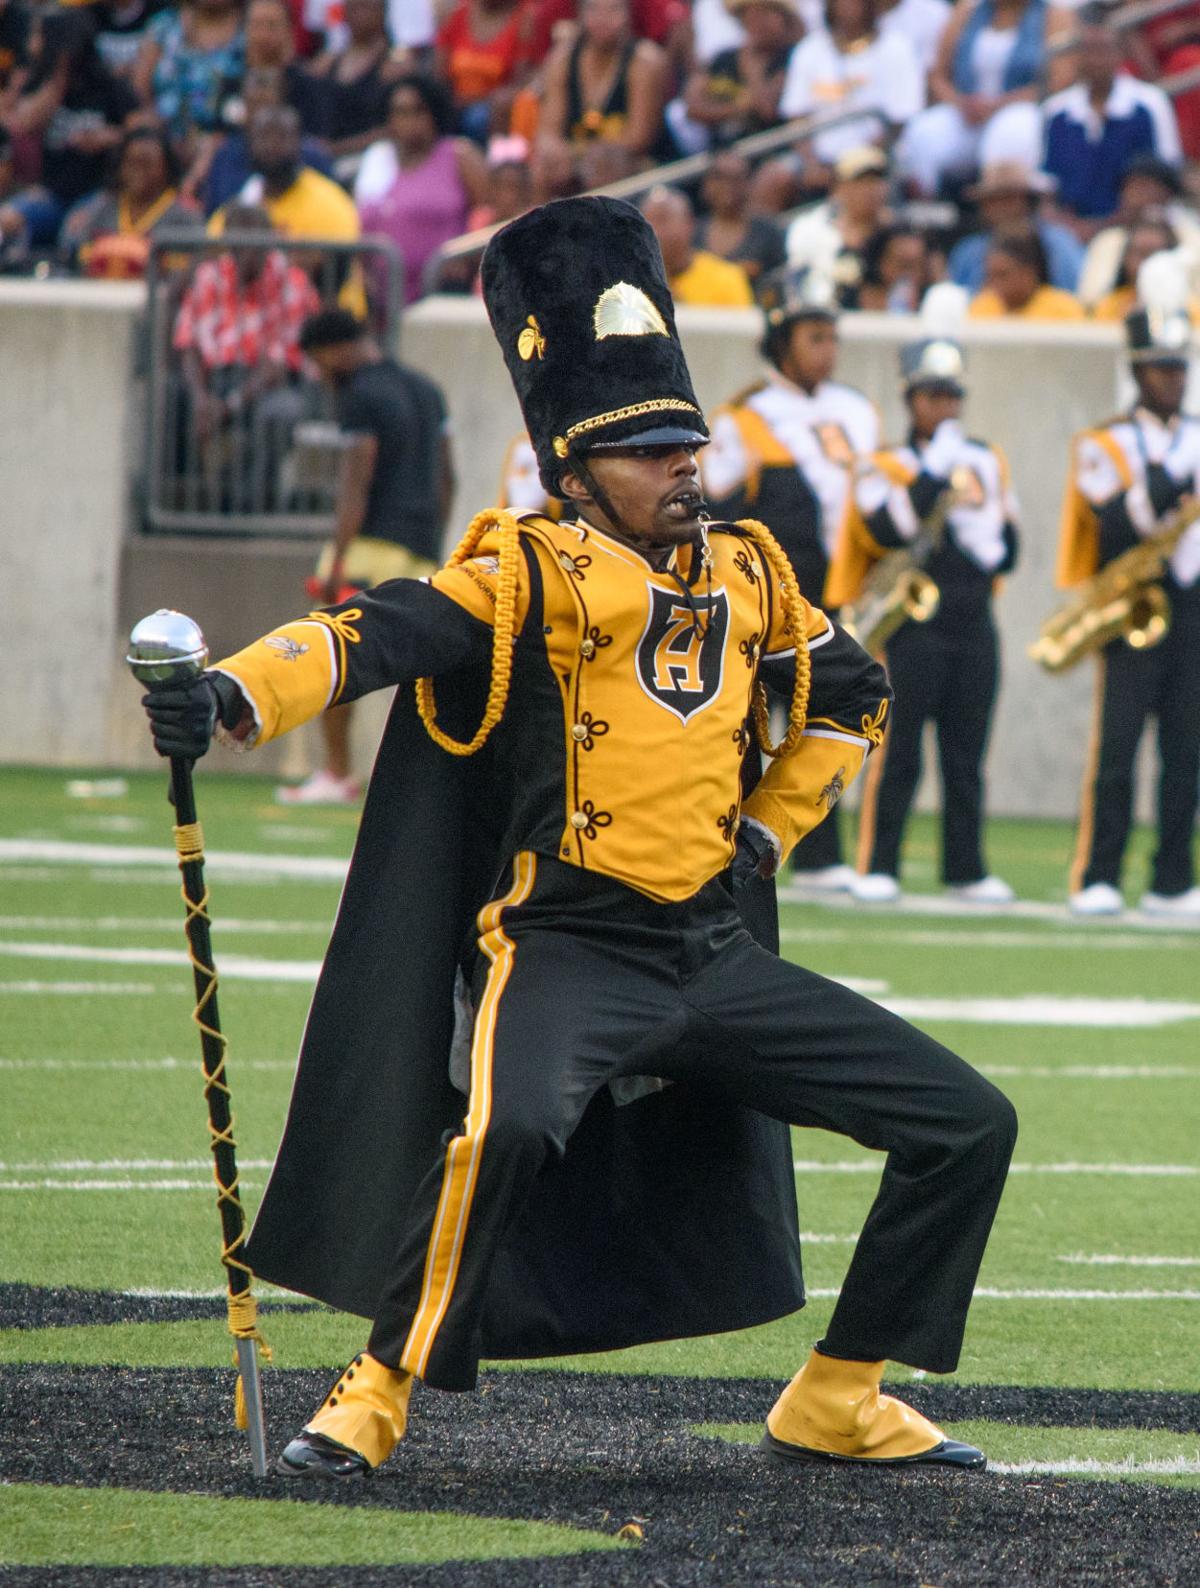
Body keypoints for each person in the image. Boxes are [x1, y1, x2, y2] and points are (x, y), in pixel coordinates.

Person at [140, 194, 1015, 1480]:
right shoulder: (524, 573)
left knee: (966, 1121)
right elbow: (367, 632)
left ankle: (839, 1391)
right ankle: (377, 1390)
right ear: (574, 471)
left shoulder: (751, 572)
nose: (684, 468)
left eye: (688, 444)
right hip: (561, 945)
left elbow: (854, 691)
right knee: (503, 1132)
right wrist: (226, 695)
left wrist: (770, 831)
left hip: (709, 954)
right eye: (651, 450)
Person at [702, 264, 879, 890]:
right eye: (813, 337)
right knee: (759, 723)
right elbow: (715, 514)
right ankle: (737, 840)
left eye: (832, 336)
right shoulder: (743, 417)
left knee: (835, 714)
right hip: (775, 598)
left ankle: (823, 849)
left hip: (841, 592)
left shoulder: (857, 410)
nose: (827, 351)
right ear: (780, 341)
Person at [829, 337, 1019, 904]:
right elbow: (888, 529)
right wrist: (934, 471)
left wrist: (983, 533)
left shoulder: (985, 457)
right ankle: (879, 863)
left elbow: (1007, 546)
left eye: (951, 396)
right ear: (911, 399)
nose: (944, 408)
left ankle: (966, 869)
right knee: (900, 749)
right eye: (932, 396)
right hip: (911, 629)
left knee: (966, 755)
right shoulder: (884, 465)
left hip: (972, 620)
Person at [1055, 297, 1200, 918]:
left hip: (1193, 606)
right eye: (1160, 368)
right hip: (1134, 603)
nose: (1173, 379)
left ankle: (1173, 878)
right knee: (1116, 748)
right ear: (1137, 372)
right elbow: (1118, 520)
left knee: (1186, 750)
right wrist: (1174, 476)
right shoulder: (1103, 442)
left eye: (1179, 367)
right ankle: (1099, 874)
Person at [276, 309, 454, 804]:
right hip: (421, 552)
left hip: (368, 547)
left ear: (332, 350)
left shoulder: (362, 395)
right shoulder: (426, 389)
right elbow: (447, 478)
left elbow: (356, 482)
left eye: (317, 362)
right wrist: (432, 545)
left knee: (332, 658)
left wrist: (336, 564)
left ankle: (337, 773)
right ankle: (430, 788)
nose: (319, 374)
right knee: (425, 678)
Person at [172, 203, 320, 507]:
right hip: (214, 379)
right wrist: (201, 398)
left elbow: (278, 365)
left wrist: (228, 406)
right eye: (239, 241)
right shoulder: (209, 276)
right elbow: (188, 344)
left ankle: (243, 504)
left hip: (268, 386)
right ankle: (184, 500)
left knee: (280, 413)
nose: (247, 251)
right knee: (171, 397)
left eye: (255, 240)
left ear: (270, 239)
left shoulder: (291, 282)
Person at [0, 6, 137, 252]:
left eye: (39, 36)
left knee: (73, 233)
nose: (32, 45)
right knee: (5, 221)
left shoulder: (109, 87)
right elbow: (26, 123)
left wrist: (109, 138)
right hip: (51, 193)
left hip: (100, 193)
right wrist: (58, 73)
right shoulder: (40, 85)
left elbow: (143, 135)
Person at [897, 0, 1066, 199]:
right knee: (922, 132)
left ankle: (1005, 211)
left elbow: (1061, 78)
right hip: (967, 109)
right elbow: (938, 75)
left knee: (1012, 132)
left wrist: (999, 104)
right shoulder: (967, 10)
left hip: (1021, 106)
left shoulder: (1053, 14)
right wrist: (960, 103)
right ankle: (925, 208)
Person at [1039, 6, 1181, 234]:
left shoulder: (1150, 103)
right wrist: (1071, 228)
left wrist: (1111, 224)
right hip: (1070, 231)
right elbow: (1045, 185)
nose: (1097, 59)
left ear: (1119, 53)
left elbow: (1165, 175)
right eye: (1089, 50)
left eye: (1104, 50)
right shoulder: (1055, 111)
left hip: (1133, 227)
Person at [353, 74, 487, 304]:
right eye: (400, 112)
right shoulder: (376, 159)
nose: (410, 120)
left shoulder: (459, 155)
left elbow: (487, 214)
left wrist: (467, 260)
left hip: (445, 294)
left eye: (418, 111)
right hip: (384, 300)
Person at [778, 0, 925, 181]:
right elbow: (797, 116)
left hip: (877, 160)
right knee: (775, 177)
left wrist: (856, 164)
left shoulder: (897, 47)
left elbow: (899, 119)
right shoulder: (809, 50)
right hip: (820, 162)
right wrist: (811, 163)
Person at [537, 0, 672, 162]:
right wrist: (558, 153)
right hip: (575, 161)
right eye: (593, 8)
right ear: (580, 13)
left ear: (629, 14)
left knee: (605, 167)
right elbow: (547, 133)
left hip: (632, 163)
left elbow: (638, 139)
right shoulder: (562, 60)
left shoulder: (645, 61)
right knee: (545, 167)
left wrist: (581, 154)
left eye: (613, 9)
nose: (603, 18)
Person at [65, 123, 201, 277]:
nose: (138, 172)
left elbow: (190, 272)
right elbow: (81, 262)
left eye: (147, 163)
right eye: (130, 163)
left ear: (166, 168)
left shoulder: (185, 216)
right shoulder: (102, 209)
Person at [202, 66, 334, 215]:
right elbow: (213, 216)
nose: (260, 113)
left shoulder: (313, 157)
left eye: (265, 103)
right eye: (254, 103)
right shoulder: (226, 155)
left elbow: (331, 208)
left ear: (281, 98)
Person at [1076, 156, 1200, 311]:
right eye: (1132, 187)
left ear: (1167, 193)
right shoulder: (1109, 240)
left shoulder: (1191, 237)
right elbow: (1089, 300)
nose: (1137, 194)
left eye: (1146, 186)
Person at [946, 160, 1083, 294]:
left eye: (1009, 199)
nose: (1001, 208)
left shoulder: (1059, 243)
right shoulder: (967, 251)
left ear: (1028, 201)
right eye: (993, 200)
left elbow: (1075, 294)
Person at [679, 0, 798, 151]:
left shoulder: (793, 58)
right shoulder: (723, 58)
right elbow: (692, 107)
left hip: (772, 150)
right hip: (724, 152)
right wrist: (737, 109)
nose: (759, 22)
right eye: (752, 15)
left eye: (766, 13)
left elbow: (766, 109)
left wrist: (751, 66)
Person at [785, 145, 894, 302]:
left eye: (876, 181)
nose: (871, 189)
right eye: (861, 182)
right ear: (839, 187)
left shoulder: (897, 234)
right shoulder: (810, 228)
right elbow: (798, 284)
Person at [133, 0, 244, 143]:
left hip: (228, 143)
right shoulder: (164, 25)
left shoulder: (252, 27)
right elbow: (139, 87)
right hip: (164, 141)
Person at [306, 0, 405, 159]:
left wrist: (337, 148)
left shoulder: (392, 69)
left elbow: (394, 128)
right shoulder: (325, 65)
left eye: (366, 6)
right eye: (353, 7)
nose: (358, 14)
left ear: (382, 13)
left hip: (371, 157)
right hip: (325, 155)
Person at [639, 184, 754, 306]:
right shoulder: (629, 282)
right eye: (646, 222)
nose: (654, 231)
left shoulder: (727, 279)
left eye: (662, 219)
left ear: (689, 223)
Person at [694, 148, 785, 289]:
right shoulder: (694, 233)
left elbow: (779, 281)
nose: (727, 186)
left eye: (736, 178)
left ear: (748, 183)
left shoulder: (768, 232)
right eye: (720, 177)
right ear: (707, 184)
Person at [967, 223, 1086, 319]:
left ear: (1029, 272)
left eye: (1002, 275)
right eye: (990, 276)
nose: (994, 284)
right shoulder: (982, 307)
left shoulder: (1063, 310)